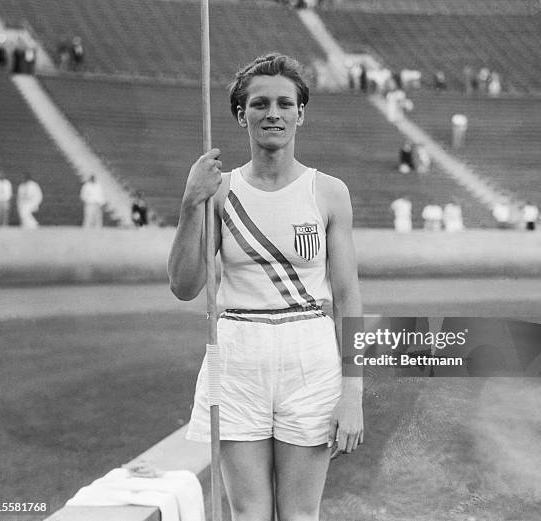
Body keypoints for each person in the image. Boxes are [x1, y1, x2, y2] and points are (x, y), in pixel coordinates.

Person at [168, 54, 363, 521]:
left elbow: (349, 297)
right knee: (248, 514)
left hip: (308, 353)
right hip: (238, 354)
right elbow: (184, 284)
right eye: (259, 104)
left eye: (284, 103)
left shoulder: (329, 191)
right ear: (242, 115)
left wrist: (352, 393)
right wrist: (191, 202)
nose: (272, 113)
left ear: (301, 113)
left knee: (299, 515)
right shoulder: (219, 190)